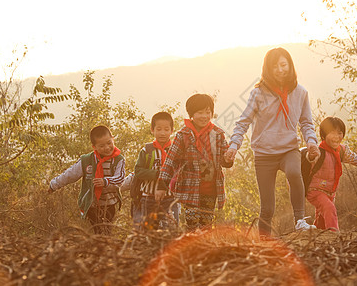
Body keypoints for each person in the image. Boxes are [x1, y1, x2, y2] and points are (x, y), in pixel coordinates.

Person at [225, 47, 320, 237]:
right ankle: (264, 243)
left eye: (283, 65)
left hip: (289, 149)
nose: (280, 70)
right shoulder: (258, 94)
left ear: (290, 65)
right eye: (274, 66)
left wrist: (311, 142)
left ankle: (299, 220)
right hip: (264, 154)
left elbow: (306, 122)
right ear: (268, 69)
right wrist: (233, 146)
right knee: (267, 207)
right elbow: (243, 122)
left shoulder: (301, 93)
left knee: (294, 172)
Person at [157, 94, 233, 231]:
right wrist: (162, 185)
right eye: (200, 112)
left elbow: (224, 159)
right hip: (189, 189)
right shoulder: (183, 135)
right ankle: (191, 250)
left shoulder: (218, 134)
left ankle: (204, 250)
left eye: (208, 112)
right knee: (191, 224)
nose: (204, 116)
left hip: (211, 189)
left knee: (206, 225)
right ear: (191, 114)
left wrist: (228, 159)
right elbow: (170, 161)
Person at [305, 116, 357, 231]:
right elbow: (309, 159)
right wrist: (310, 155)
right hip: (314, 190)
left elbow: (356, 159)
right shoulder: (319, 151)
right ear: (323, 135)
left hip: (330, 192)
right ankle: (334, 235)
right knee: (329, 208)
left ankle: (318, 236)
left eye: (339, 133)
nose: (337, 137)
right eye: (332, 133)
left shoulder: (342, 151)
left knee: (322, 217)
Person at [49, 125, 125, 234]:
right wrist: (54, 185)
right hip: (92, 204)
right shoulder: (87, 160)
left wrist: (105, 181)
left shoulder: (119, 160)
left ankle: (104, 248)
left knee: (107, 230)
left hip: (109, 203)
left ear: (113, 139)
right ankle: (98, 247)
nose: (107, 148)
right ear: (94, 147)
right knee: (98, 230)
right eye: (102, 145)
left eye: (109, 143)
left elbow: (120, 178)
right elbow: (70, 174)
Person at [132, 111, 179, 230]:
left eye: (166, 129)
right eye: (159, 129)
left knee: (171, 230)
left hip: (170, 198)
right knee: (147, 230)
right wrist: (159, 174)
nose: (162, 133)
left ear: (172, 130)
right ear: (152, 130)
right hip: (148, 198)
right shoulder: (146, 150)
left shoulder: (176, 150)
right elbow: (138, 171)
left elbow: (178, 172)